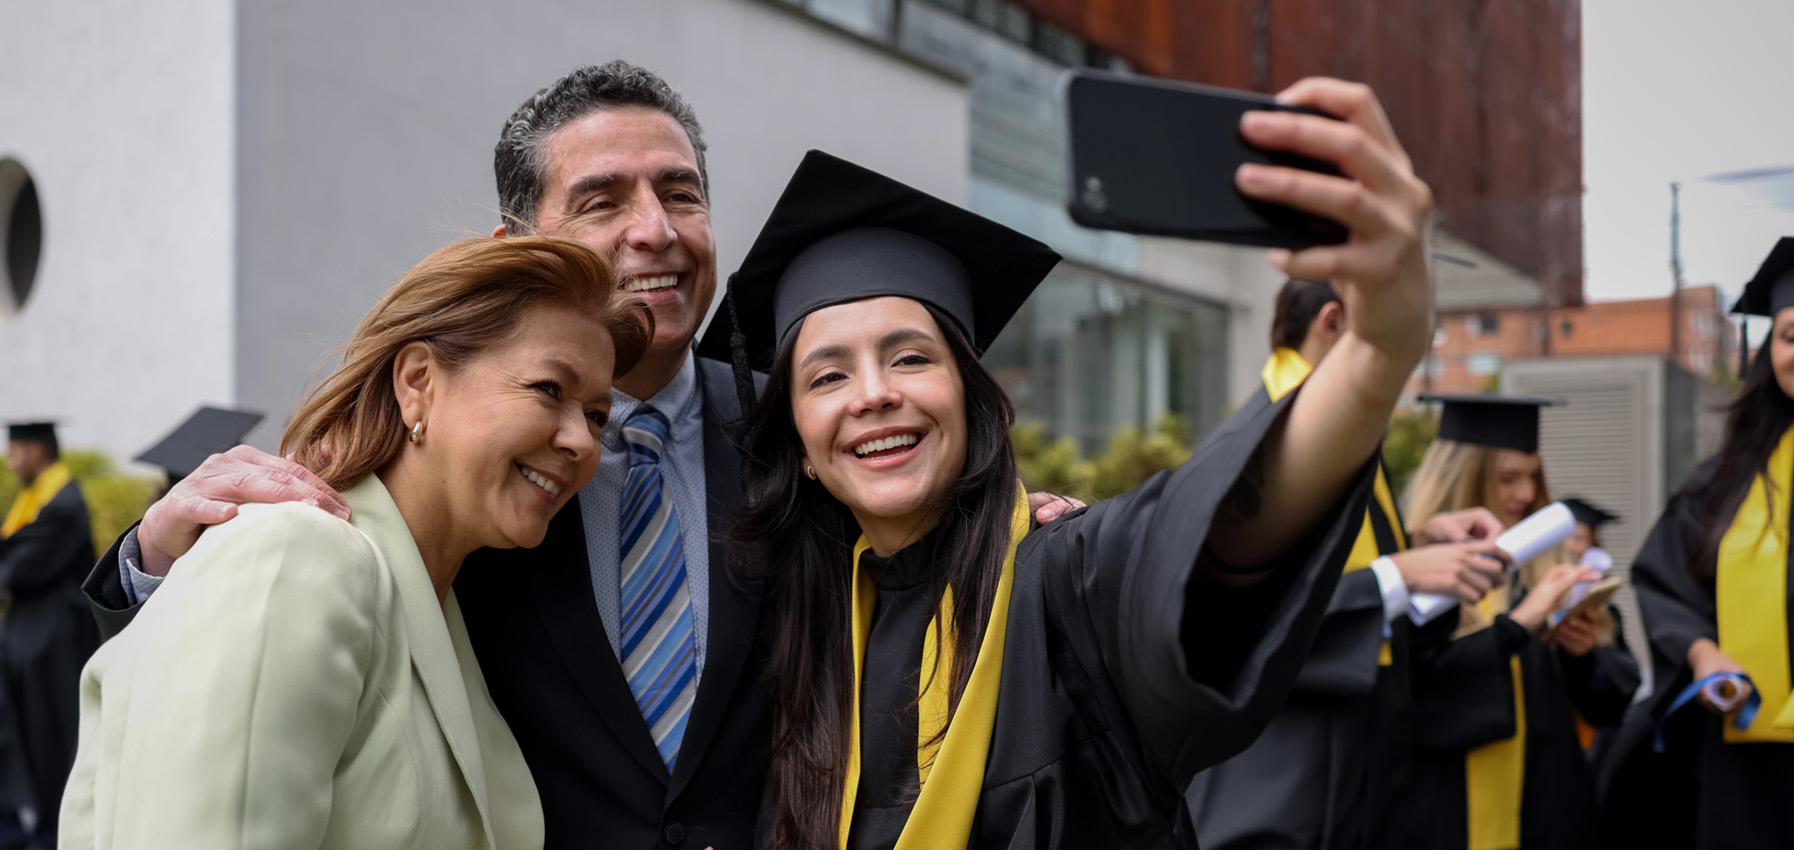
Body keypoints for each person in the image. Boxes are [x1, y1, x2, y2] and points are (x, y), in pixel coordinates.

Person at [77, 61, 1078, 850]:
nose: (655, 232)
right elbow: (241, 694)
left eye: (680, 194)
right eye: (603, 200)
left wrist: (1020, 540)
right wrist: (157, 565)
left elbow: (908, 584)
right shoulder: (456, 474)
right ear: (520, 243)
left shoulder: (809, 436)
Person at [707, 71, 1436, 850]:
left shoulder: (1069, 588)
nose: (874, 394)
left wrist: (1378, 348)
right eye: (828, 376)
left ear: (971, 399)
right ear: (805, 453)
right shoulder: (801, 640)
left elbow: (1222, 527)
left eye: (911, 357)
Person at [59, 235, 652, 849]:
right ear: (418, 380)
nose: (583, 442)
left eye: (598, 416)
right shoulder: (296, 554)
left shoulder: (443, 610)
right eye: (550, 389)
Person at [1187, 279, 1511, 850]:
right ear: (1333, 323)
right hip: (1283, 768)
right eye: (1390, 337)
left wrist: (1415, 540)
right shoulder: (1263, 442)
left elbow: (1323, 560)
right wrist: (1401, 575)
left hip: (1358, 756)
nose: (1403, 364)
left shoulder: (1333, 430)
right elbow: (1230, 614)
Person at [1390, 395, 1639, 850]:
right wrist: (1519, 625)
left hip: (1547, 808)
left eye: (1532, 477)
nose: (1526, 495)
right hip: (1443, 812)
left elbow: (1610, 705)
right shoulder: (1416, 570)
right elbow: (1418, 701)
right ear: (1463, 474)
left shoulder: (1551, 568)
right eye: (1508, 478)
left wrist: (1583, 657)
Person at [1622, 236, 1794, 849]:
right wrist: (1702, 655)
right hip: (1746, 763)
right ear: (1769, 351)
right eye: (1791, 336)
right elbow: (1665, 580)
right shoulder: (1725, 481)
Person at [0, 421, 98, 849]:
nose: (9, 460)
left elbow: (19, 564)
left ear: (36, 452)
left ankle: (55, 832)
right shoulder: (37, 500)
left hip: (54, 645)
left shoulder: (65, 503)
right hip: (33, 640)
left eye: (15, 451)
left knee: (51, 735)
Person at [1561, 497, 1619, 566]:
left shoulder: (1598, 575)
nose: (1569, 545)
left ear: (1592, 542)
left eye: (1578, 538)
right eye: (1562, 538)